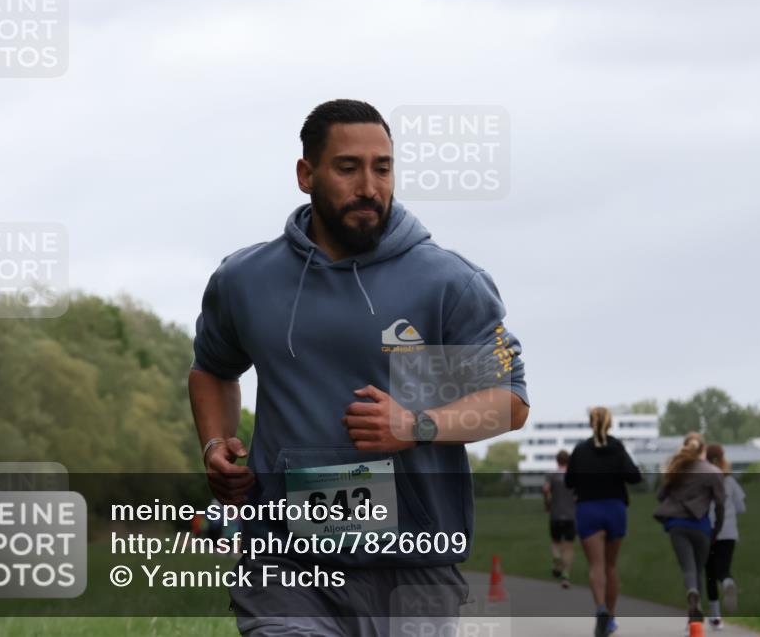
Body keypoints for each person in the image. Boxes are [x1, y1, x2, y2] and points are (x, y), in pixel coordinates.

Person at [189, 99, 530, 637]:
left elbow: (508, 403)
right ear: (306, 175)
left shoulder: (445, 283)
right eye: (348, 168)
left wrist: (416, 426)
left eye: (383, 168)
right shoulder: (246, 280)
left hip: (415, 569)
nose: (369, 186)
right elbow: (211, 369)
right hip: (286, 563)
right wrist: (214, 444)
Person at [565, 406, 643, 637]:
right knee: (611, 566)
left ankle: (600, 608)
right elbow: (635, 476)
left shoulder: (580, 450)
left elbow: (569, 481)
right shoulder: (617, 447)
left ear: (591, 423)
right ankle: (611, 617)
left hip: (588, 509)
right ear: (610, 424)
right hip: (615, 508)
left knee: (596, 566)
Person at [653, 432, 726, 633]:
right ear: (703, 449)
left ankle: (692, 599)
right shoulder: (713, 472)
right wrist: (716, 529)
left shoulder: (677, 469)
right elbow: (720, 504)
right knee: (699, 570)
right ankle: (695, 621)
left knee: (688, 569)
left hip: (677, 525)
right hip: (701, 527)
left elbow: (660, 496)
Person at [704, 443, 746, 631]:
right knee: (723, 569)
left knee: (709, 574)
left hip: (707, 530)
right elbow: (741, 508)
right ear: (722, 459)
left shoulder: (703, 480)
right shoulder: (729, 481)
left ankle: (715, 617)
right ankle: (728, 582)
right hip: (728, 532)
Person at [542, 449, 576, 589]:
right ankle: (566, 576)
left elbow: (545, 490)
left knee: (555, 542)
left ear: (557, 460)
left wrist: (547, 504)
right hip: (571, 515)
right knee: (568, 547)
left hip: (555, 515)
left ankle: (556, 558)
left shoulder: (551, 475)